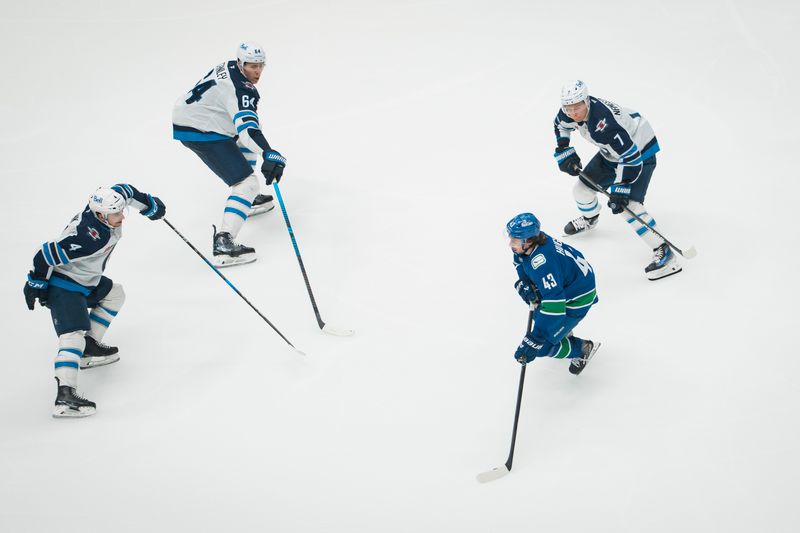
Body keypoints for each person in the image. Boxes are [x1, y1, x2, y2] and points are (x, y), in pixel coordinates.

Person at [23, 184, 166, 417]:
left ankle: (89, 348)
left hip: (87, 280)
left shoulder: (104, 209)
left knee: (115, 294)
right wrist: (36, 282)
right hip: (65, 285)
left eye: (122, 211)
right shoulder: (89, 237)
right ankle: (66, 396)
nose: (122, 217)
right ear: (101, 215)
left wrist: (148, 204)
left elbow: (124, 189)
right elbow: (45, 254)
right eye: (116, 214)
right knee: (72, 336)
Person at [553, 80, 681, 281]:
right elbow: (560, 124)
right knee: (581, 190)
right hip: (612, 153)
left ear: (586, 101)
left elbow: (631, 157)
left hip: (640, 153)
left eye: (577, 107)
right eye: (568, 108)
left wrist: (621, 188)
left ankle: (665, 252)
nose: (573, 112)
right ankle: (590, 219)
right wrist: (563, 148)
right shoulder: (569, 112)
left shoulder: (605, 125)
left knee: (629, 205)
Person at [172, 41, 286, 268]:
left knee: (249, 137)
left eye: (260, 66)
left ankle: (248, 202)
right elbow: (247, 130)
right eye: (252, 66)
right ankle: (224, 242)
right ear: (241, 63)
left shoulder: (229, 66)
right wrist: (268, 152)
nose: (257, 71)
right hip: (200, 129)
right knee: (247, 183)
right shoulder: (241, 89)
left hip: (194, 116)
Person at [507, 213, 600, 375]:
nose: (510, 244)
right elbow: (519, 261)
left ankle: (582, 349)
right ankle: (562, 331)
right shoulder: (533, 243)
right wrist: (525, 282)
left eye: (514, 240)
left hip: (578, 296)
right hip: (570, 284)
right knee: (541, 315)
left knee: (542, 347)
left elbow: (555, 307)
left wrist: (535, 339)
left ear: (528, 241)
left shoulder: (543, 262)